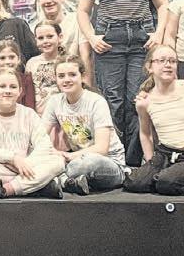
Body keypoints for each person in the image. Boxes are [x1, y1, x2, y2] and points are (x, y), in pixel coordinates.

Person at [77, 0, 168, 167]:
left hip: (141, 41)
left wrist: (158, 34)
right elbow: (82, 11)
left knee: (137, 100)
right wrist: (92, 37)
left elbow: (163, 5)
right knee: (113, 101)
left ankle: (134, 161)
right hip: (110, 41)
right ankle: (115, 160)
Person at [123, 45, 184, 195]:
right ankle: (162, 177)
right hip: (164, 153)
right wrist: (150, 161)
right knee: (134, 182)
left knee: (166, 183)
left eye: (172, 61)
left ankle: (171, 179)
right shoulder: (144, 101)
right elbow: (145, 133)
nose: (168, 65)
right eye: (161, 60)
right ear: (149, 67)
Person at [0, 68, 65, 199]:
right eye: (2, 86)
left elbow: (44, 145)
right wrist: (13, 158)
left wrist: (26, 164)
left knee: (58, 161)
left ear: (20, 91)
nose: (8, 90)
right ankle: (38, 186)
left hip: (28, 165)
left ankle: (5, 190)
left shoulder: (29, 114)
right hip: (1, 166)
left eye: (13, 87)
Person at [43, 55, 126, 195]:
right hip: (75, 160)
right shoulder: (54, 101)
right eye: (61, 76)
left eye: (72, 75)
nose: (66, 80)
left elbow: (102, 149)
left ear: (82, 76)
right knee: (40, 157)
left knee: (87, 163)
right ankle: (71, 182)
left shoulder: (96, 101)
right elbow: (39, 135)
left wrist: (68, 157)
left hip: (107, 163)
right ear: (56, 79)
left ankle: (58, 180)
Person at [32, 0, 92, 85]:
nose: (48, 1)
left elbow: (86, 56)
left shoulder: (77, 21)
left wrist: (87, 86)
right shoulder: (36, 28)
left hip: (73, 80)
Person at [0, 40, 36, 110]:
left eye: (12, 57)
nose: (7, 62)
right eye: (2, 58)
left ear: (19, 59)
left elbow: (30, 109)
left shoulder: (26, 80)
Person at [25, 21, 63, 115]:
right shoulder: (31, 63)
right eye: (41, 38)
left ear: (60, 37)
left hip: (63, 114)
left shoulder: (68, 61)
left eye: (50, 36)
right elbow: (28, 92)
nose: (45, 41)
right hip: (38, 116)